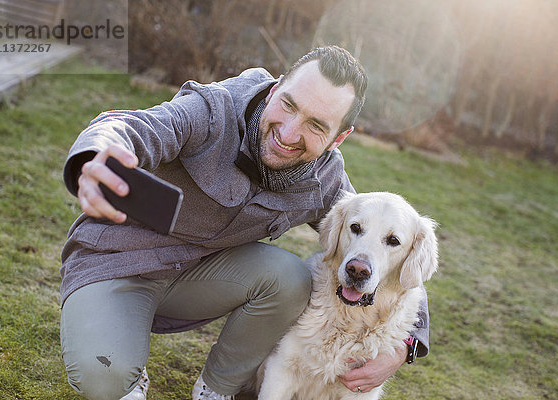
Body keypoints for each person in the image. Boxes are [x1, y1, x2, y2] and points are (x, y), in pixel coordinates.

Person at [59, 45, 430, 400]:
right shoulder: (212, 110)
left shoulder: (326, 181)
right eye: (288, 104)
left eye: (316, 125)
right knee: (104, 378)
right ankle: (124, 364)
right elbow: (130, 126)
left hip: (199, 279)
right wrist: (95, 155)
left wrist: (406, 344)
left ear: (339, 139)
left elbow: (387, 248)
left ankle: (218, 386)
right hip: (116, 263)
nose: (288, 133)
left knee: (290, 278)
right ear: (275, 88)